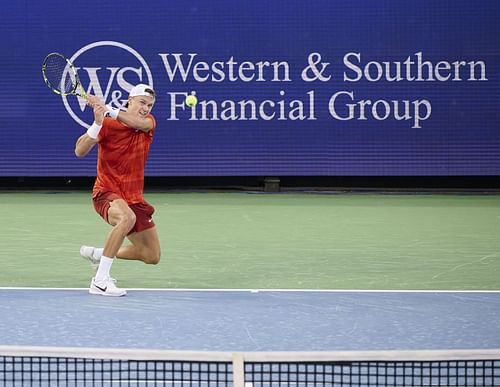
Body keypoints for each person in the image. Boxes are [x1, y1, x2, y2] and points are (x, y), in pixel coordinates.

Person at [74, 84, 161, 297]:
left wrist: (108, 109)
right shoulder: (108, 125)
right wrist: (97, 123)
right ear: (129, 100)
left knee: (151, 255)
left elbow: (137, 122)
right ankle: (100, 281)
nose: (145, 108)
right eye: (142, 102)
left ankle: (100, 254)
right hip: (106, 192)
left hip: (134, 197)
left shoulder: (148, 123)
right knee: (126, 218)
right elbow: (79, 150)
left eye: (149, 105)